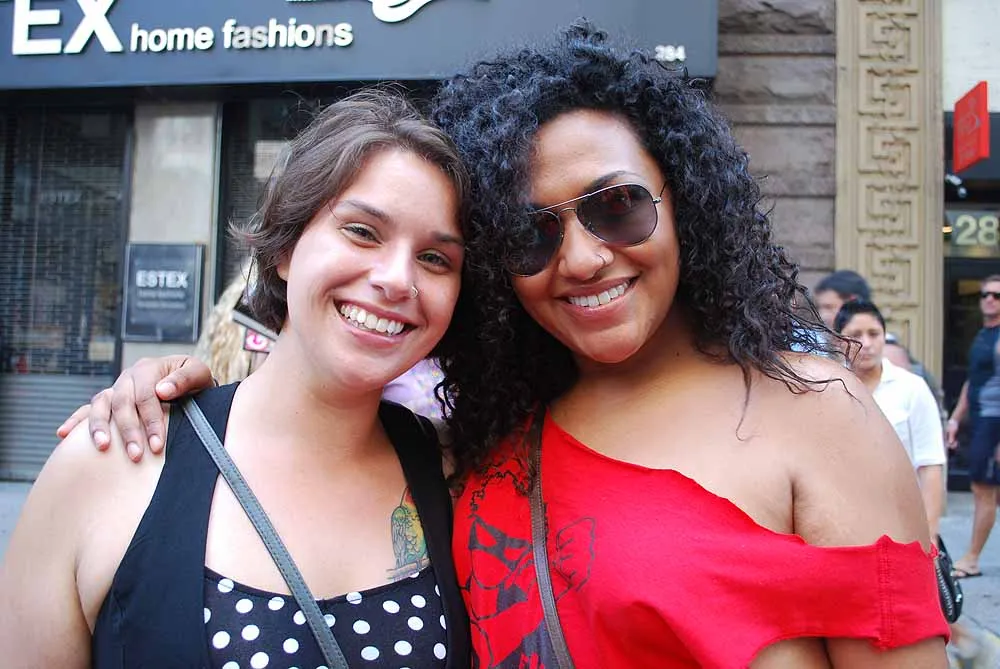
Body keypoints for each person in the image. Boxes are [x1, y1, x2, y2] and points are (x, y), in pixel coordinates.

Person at [63, 24, 948, 668]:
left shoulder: (813, 411)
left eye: (616, 206)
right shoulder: (487, 435)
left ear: (682, 199)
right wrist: (175, 400)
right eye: (532, 233)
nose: (584, 258)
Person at [1, 90, 471, 667]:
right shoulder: (112, 461)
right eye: (362, 231)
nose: (397, 279)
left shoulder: (453, 473)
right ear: (286, 248)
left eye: (435, 258)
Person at [834, 300, 946, 539]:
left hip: (902, 521)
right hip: (842, 522)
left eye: (874, 334)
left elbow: (930, 465)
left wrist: (930, 535)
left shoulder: (912, 388)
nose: (866, 343)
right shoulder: (827, 388)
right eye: (856, 335)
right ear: (838, 341)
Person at [945, 274, 1000, 579]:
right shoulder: (983, 335)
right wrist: (955, 419)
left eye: (996, 295)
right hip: (979, 420)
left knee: (983, 489)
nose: (989, 299)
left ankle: (972, 558)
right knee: (986, 490)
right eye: (985, 294)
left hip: (994, 422)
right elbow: (972, 381)